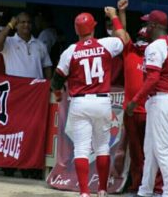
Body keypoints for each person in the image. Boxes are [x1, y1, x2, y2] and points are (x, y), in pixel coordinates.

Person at [51, 11, 125, 197]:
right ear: (93, 27)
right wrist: (115, 16)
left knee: (82, 148)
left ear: (76, 30)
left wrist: (59, 95)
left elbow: (56, 81)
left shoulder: (71, 50)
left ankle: (84, 192)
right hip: (102, 102)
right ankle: (101, 189)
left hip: (80, 102)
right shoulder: (105, 44)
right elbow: (123, 38)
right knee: (102, 147)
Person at [126, 10, 168, 197]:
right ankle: (145, 190)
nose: (145, 26)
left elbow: (152, 78)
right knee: (150, 148)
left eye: (147, 23)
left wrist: (135, 100)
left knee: (162, 149)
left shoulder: (155, 46)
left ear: (154, 26)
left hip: (161, 100)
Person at [114, 0, 163, 195]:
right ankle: (137, 186)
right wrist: (120, 13)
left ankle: (157, 188)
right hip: (132, 111)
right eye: (139, 40)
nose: (142, 44)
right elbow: (122, 33)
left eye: (145, 41)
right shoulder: (129, 51)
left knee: (155, 152)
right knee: (136, 154)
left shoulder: (155, 55)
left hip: (151, 110)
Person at [0, 12, 52, 79]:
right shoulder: (9, 42)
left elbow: (47, 66)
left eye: (29, 22)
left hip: (35, 87)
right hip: (16, 87)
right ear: (16, 25)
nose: (26, 24)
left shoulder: (40, 44)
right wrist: (10, 25)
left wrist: (48, 86)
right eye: (23, 22)